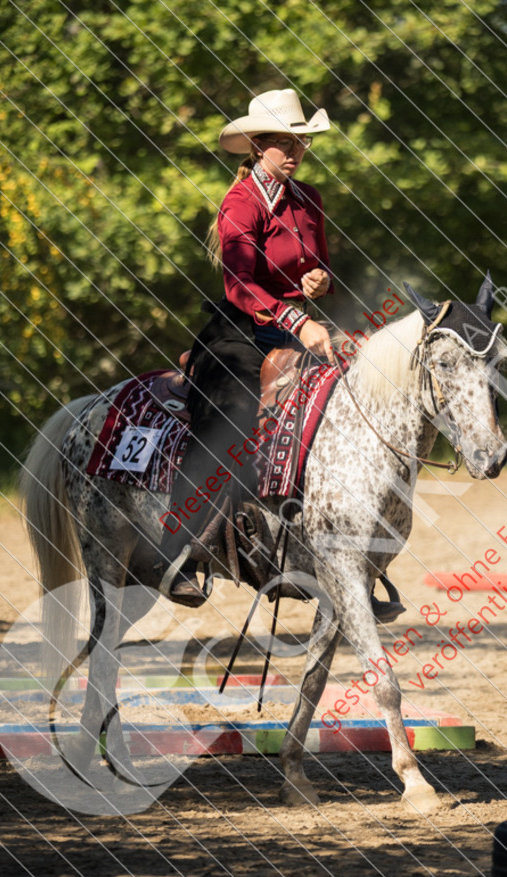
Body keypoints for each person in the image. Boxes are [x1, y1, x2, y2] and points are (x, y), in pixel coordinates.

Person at [159, 89, 335, 605]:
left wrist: (320, 281)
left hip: (297, 324)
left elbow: (320, 267)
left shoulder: (309, 199)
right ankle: (176, 553)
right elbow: (239, 284)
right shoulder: (240, 202)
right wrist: (296, 319)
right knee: (231, 417)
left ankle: (339, 554)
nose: (296, 151)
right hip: (240, 329)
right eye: (284, 142)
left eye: (300, 142)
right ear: (258, 146)